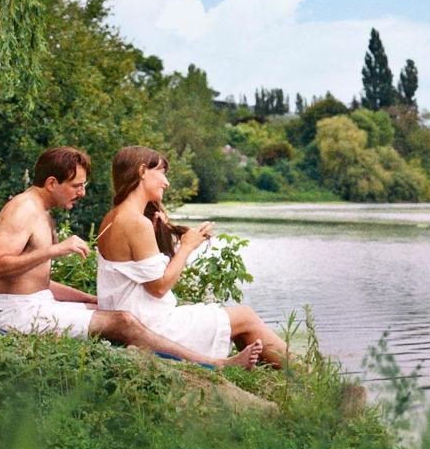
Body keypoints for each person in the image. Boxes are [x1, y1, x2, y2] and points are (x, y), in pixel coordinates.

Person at [0, 146, 262, 369]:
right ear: (52, 182)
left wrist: (90, 299)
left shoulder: (40, 212)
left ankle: (189, 355)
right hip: (16, 314)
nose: (82, 192)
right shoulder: (23, 209)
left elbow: (35, 283)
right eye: (76, 186)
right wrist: (55, 250)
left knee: (109, 312)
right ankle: (214, 364)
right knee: (123, 322)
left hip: (34, 304)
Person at [96, 146, 289, 367]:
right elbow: (158, 288)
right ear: (142, 171)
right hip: (149, 327)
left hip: (134, 318)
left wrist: (171, 230)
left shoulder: (113, 216)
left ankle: (285, 374)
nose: (166, 182)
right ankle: (304, 376)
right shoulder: (135, 221)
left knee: (235, 319)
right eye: (162, 172)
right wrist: (187, 247)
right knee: (244, 316)